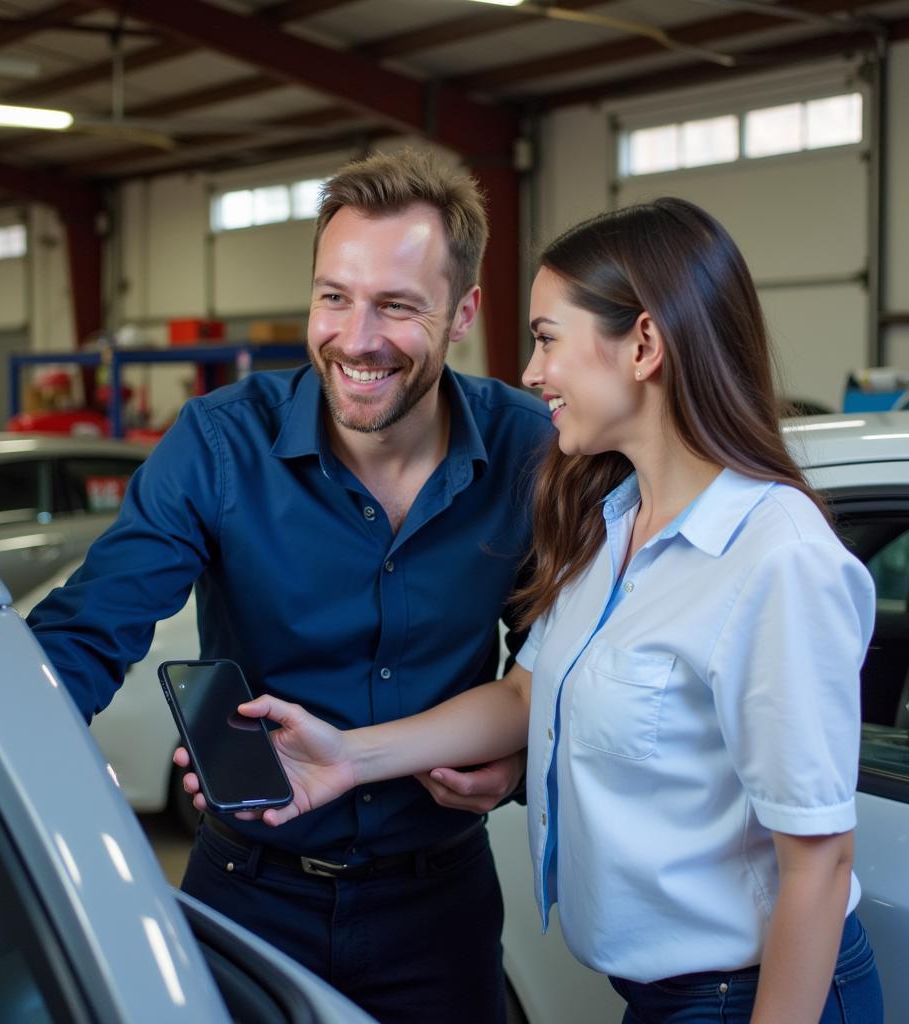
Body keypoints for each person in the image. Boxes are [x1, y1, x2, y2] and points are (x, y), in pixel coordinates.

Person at [223, 198, 885, 1024]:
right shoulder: (611, 524)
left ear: (643, 344)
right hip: (665, 998)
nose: (531, 375)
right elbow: (524, 696)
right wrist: (347, 757)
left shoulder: (774, 559)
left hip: (750, 999)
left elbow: (818, 862)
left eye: (546, 338)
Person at [27, 147, 552, 1024]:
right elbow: (86, 633)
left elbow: (567, 662)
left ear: (463, 311)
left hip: (442, 905)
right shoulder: (218, 444)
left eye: (396, 305)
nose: (356, 339)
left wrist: (524, 762)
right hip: (247, 892)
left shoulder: (529, 449)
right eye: (333, 296)